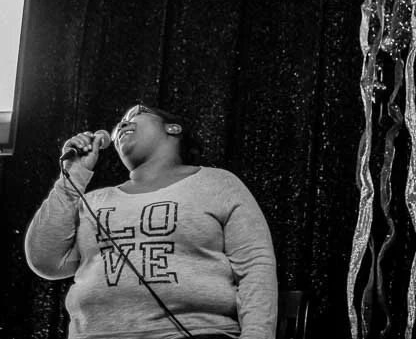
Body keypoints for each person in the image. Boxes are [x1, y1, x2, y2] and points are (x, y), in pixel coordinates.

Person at [25, 104, 278, 339]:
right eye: (119, 124)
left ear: (173, 128)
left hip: (195, 333)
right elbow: (46, 260)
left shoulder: (218, 183)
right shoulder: (93, 200)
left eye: (135, 114)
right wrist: (72, 178)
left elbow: (256, 267)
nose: (122, 125)